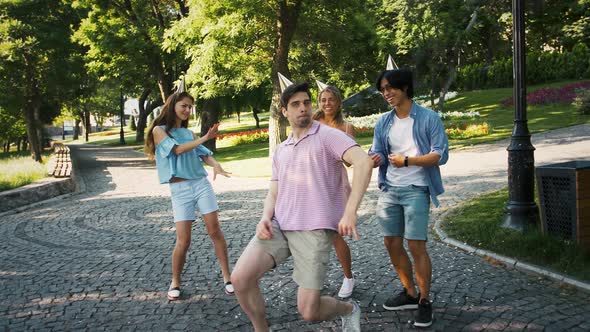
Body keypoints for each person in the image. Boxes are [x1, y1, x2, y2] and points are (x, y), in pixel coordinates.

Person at [231, 82, 373, 332]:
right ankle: (261, 328)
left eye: (307, 102)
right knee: (240, 280)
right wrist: (265, 217)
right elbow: (275, 188)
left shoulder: (328, 136)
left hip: (314, 229)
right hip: (280, 225)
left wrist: (350, 211)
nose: (303, 108)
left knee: (309, 311)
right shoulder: (281, 149)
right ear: (284, 111)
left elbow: (363, 163)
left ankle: (349, 309)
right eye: (295, 104)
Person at [369, 69, 449, 328]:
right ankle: (410, 293)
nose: (386, 93)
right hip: (390, 189)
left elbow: (440, 154)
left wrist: (408, 161)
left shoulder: (428, 118)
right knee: (391, 243)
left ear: (405, 87)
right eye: (382, 89)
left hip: (417, 189)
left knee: (416, 246)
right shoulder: (383, 122)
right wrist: (374, 158)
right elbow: (378, 150)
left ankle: (425, 301)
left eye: (390, 87)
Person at [144, 91, 234, 300]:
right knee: (183, 241)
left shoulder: (190, 134)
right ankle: (175, 281)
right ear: (173, 105)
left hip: (201, 185)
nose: (187, 110)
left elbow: (203, 154)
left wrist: (216, 165)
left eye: (190, 107)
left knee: (215, 231)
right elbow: (177, 150)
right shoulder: (159, 130)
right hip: (180, 190)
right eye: (184, 105)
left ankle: (228, 278)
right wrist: (204, 137)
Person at [313, 85, 356, 298]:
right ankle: (314, 278)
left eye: (331, 100)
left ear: (338, 102)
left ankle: (348, 278)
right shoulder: (312, 124)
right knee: (315, 234)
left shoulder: (346, 127)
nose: (327, 103)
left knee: (335, 234)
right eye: (323, 100)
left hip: (336, 185)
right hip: (313, 184)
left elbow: (350, 162)